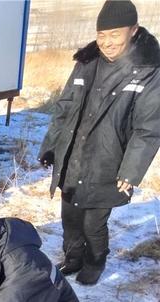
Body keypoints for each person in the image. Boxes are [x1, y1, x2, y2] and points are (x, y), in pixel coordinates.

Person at [38, 0, 160, 285]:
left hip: (109, 158)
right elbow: (64, 108)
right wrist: (51, 146)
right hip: (74, 154)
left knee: (93, 222)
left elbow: (148, 127)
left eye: (114, 34)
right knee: (69, 216)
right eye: (101, 35)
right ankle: (72, 258)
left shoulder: (148, 70)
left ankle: (94, 262)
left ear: (133, 30)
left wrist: (131, 170)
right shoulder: (86, 62)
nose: (107, 42)